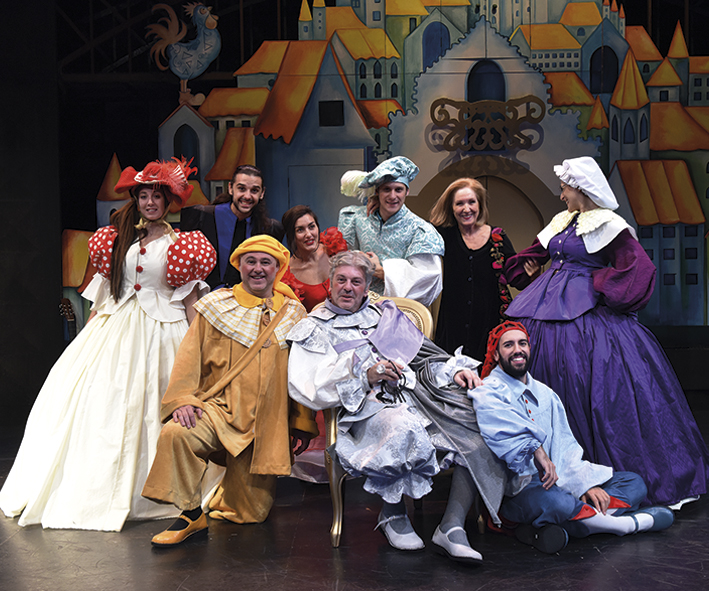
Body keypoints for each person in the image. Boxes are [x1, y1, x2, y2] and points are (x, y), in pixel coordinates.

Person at [0, 158, 216, 531]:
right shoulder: (117, 240)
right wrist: (89, 339)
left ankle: (164, 486)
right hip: (115, 326)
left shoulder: (182, 246)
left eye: (156, 197)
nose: (150, 203)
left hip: (163, 330)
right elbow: (103, 296)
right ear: (136, 200)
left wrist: (197, 347)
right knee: (99, 401)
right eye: (144, 196)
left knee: (154, 403)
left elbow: (189, 301)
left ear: (168, 202)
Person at [503, 157, 709, 507]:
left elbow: (638, 268)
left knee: (596, 387)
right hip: (545, 304)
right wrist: (529, 266)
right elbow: (535, 253)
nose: (561, 195)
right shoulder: (562, 221)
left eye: (565, 189)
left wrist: (600, 282)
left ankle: (602, 478)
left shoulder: (610, 224)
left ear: (581, 189)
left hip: (587, 314)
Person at [288, 251, 507, 563]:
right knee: (401, 425)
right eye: (341, 280)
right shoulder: (314, 327)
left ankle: (452, 525)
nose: (348, 287)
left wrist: (453, 370)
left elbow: (426, 357)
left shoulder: (384, 316)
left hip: (417, 398)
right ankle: (393, 513)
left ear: (367, 287)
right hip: (361, 409)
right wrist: (365, 375)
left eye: (356, 282)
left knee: (476, 426)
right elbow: (308, 385)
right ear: (330, 283)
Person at [142, 235, 318, 547]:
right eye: (251, 261)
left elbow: (302, 373)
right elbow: (188, 358)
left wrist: (301, 422)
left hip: (265, 424)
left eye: (266, 262)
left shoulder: (294, 314)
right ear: (239, 265)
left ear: (278, 268)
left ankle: (227, 493)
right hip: (217, 411)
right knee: (177, 434)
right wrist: (182, 400)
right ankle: (190, 514)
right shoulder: (214, 307)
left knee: (249, 514)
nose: (258, 268)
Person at [471, 322, 675, 554]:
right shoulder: (488, 390)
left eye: (522, 343)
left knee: (634, 483)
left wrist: (584, 485)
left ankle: (556, 525)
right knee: (556, 502)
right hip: (518, 491)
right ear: (496, 354)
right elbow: (502, 425)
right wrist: (537, 449)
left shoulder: (546, 395)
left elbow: (565, 448)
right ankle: (625, 525)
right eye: (508, 345)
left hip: (558, 482)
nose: (517, 350)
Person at [280, 205, 348, 482]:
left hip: (344, 334)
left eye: (311, 226)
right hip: (311, 345)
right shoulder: (287, 270)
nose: (308, 234)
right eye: (300, 230)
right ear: (291, 235)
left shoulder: (334, 252)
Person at [338, 156, 444, 307]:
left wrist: (381, 272)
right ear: (377, 192)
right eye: (386, 189)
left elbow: (428, 280)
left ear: (407, 191)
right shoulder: (356, 219)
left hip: (399, 311)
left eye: (398, 189)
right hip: (359, 308)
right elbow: (342, 262)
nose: (392, 196)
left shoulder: (420, 230)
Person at [429, 178, 515, 359]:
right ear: (451, 208)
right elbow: (414, 229)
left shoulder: (498, 238)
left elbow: (516, 276)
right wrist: (381, 207)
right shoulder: (443, 235)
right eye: (459, 203)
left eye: (471, 202)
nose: (466, 209)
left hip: (489, 325)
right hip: (453, 325)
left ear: (480, 205)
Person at [180, 164, 284, 290]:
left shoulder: (270, 230)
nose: (247, 196)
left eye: (254, 190)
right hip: (205, 296)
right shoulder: (201, 218)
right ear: (230, 188)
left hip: (250, 298)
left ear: (262, 193)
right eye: (241, 189)